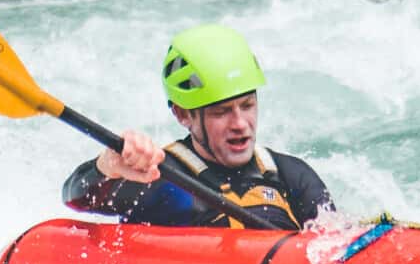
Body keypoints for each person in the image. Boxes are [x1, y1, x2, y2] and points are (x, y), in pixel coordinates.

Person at [63, 25, 334, 230]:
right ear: (183, 114)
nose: (240, 124)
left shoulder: (289, 175)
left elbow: (335, 246)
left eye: (248, 105)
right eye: (221, 112)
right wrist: (107, 165)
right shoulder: (160, 178)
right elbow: (75, 197)